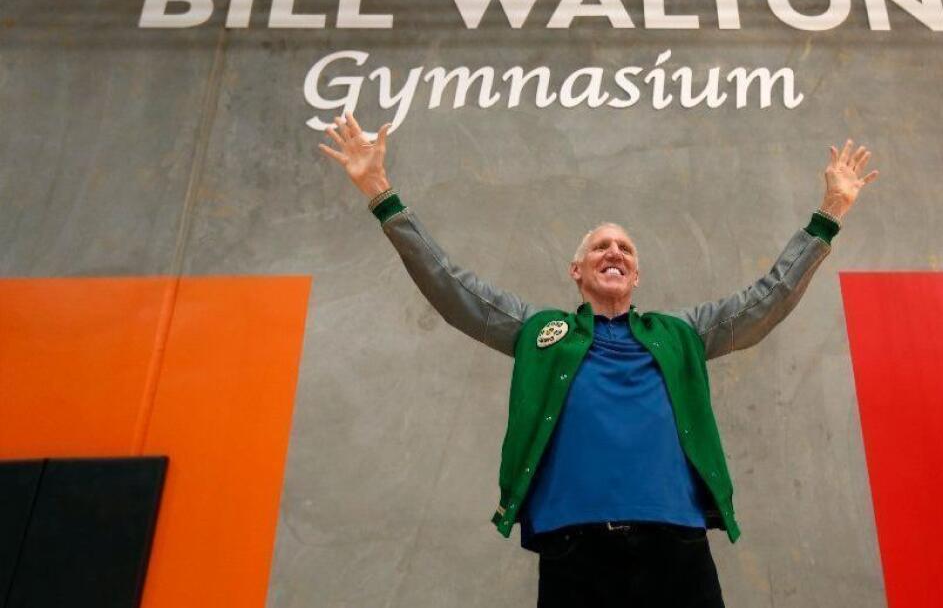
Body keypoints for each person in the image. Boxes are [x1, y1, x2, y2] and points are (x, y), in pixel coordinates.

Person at [320, 112, 879, 608]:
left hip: (676, 544)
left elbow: (768, 297)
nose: (613, 251)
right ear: (578, 271)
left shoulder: (682, 333)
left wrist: (829, 214)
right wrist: (379, 193)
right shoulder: (540, 332)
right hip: (574, 548)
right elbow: (450, 284)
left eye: (625, 249)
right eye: (600, 247)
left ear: (635, 276)